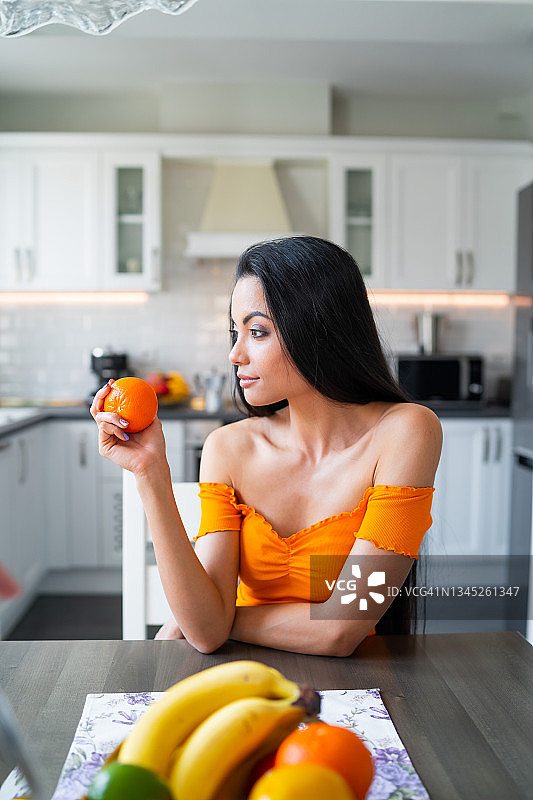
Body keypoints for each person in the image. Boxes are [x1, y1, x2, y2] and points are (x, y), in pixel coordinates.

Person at [91, 236, 442, 657]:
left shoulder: (407, 431)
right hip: (240, 678)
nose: (235, 354)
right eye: (234, 333)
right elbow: (206, 634)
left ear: (317, 329)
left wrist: (219, 620)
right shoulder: (228, 448)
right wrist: (150, 473)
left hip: (357, 685)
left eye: (256, 331)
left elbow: (341, 629)